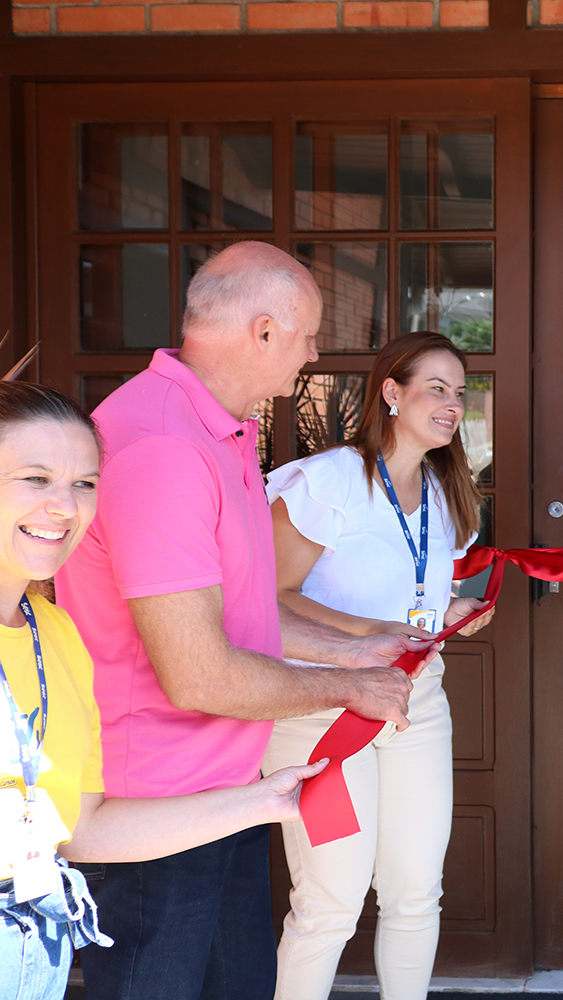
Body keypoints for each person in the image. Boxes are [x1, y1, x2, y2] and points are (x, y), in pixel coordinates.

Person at [54, 241, 437, 1000]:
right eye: (307, 336)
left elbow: (240, 617)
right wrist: (346, 688)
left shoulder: (218, 428)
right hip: (152, 813)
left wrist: (360, 651)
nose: (315, 353)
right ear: (263, 333)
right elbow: (198, 670)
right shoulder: (163, 445)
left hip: (223, 794)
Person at [0, 382, 329, 1000]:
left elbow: (82, 830)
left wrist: (263, 802)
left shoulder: (56, 637)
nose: (65, 508)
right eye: (35, 479)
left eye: (85, 484)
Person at [261, 331, 494, 1000]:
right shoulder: (328, 481)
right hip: (322, 710)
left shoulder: (449, 492)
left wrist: (459, 610)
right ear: (392, 392)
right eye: (437, 388)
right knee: (332, 900)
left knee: (417, 891)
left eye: (460, 391)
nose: (453, 404)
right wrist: (372, 633)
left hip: (416, 704)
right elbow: (269, 597)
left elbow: (420, 597)